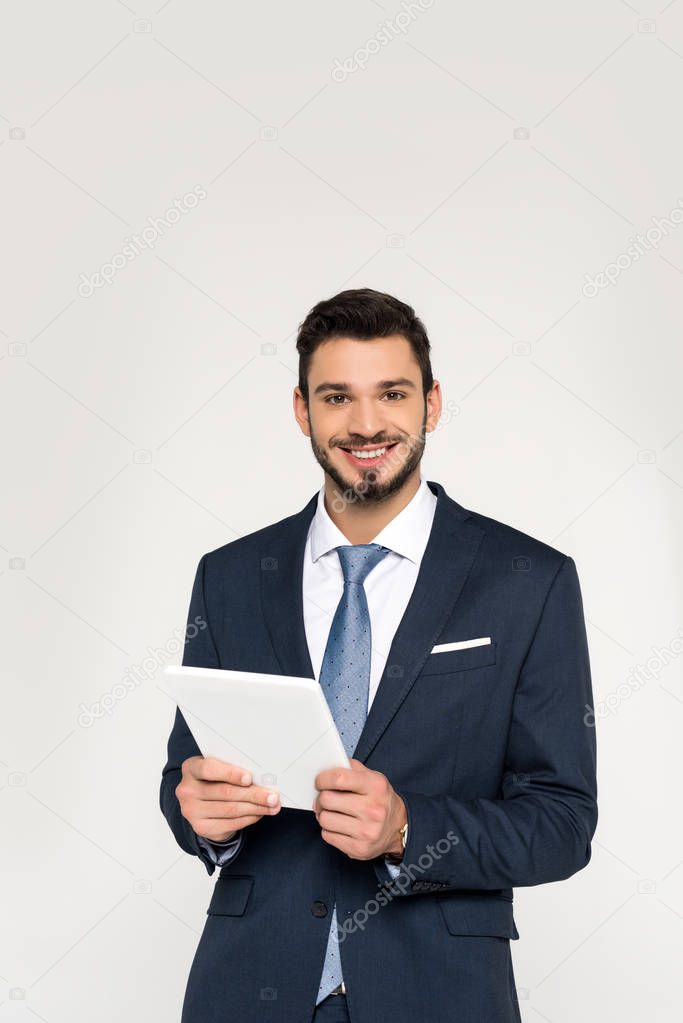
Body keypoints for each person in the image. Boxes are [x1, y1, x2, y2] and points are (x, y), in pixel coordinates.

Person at [160, 287, 598, 1022]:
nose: (366, 424)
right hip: (245, 989)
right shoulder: (229, 574)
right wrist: (201, 815)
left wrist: (406, 830)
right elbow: (185, 776)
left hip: (439, 992)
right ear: (302, 410)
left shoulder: (528, 579)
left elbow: (561, 822)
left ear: (430, 403)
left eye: (390, 393)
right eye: (337, 397)